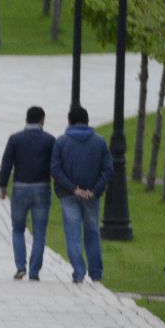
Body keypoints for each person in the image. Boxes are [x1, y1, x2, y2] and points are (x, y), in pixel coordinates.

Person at [52, 105, 113, 285]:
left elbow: (55, 169)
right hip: (91, 196)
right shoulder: (100, 142)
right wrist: (94, 190)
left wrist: (73, 188)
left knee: (73, 234)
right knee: (92, 233)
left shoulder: (61, 142)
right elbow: (108, 169)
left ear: (69, 121)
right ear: (87, 121)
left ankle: (79, 272)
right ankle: (96, 273)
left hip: (68, 194)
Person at [0, 105, 56, 281]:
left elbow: (7, 163)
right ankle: (35, 270)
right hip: (42, 187)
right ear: (42, 120)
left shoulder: (15, 139)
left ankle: (20, 266)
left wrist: (2, 186)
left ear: (26, 120)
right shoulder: (49, 140)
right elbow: (55, 165)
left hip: (20, 188)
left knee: (18, 229)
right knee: (39, 231)